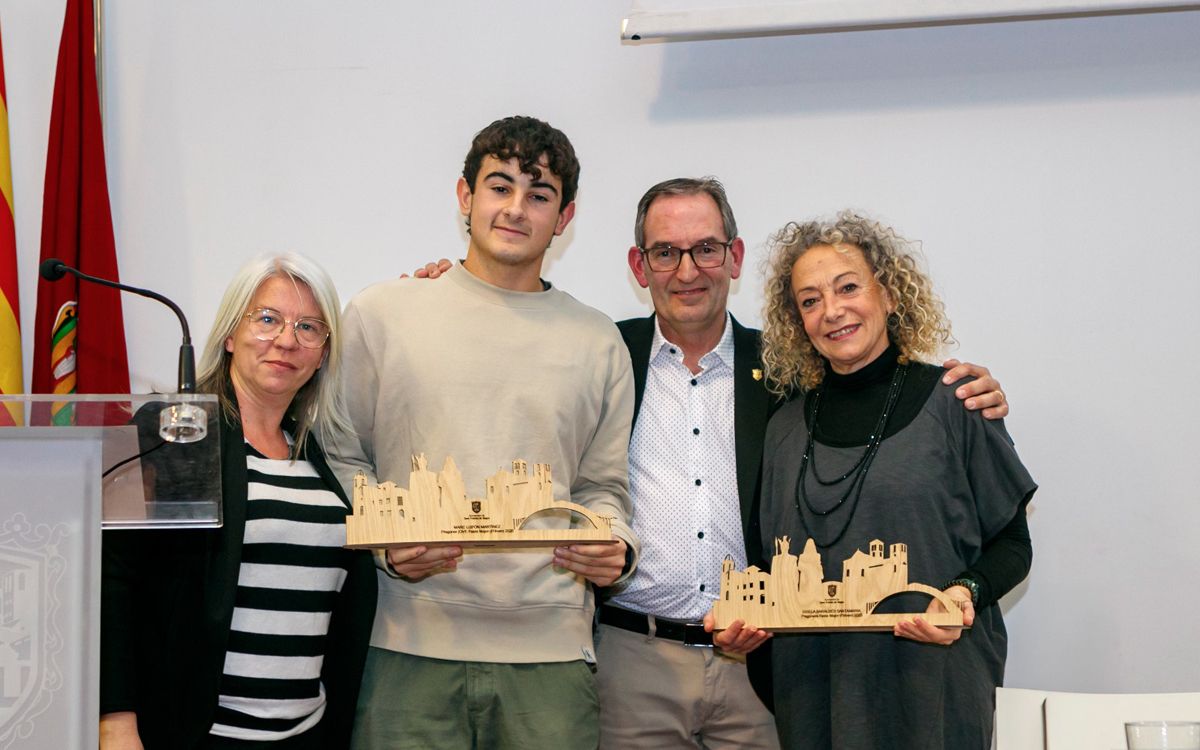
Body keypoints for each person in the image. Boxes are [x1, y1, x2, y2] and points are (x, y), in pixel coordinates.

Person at [598, 180, 1012, 750]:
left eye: (706, 248)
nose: (687, 269)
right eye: (665, 251)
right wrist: (457, 282)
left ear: (734, 257)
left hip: (777, 680)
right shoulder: (602, 355)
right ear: (640, 266)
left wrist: (964, 591)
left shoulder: (784, 380)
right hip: (645, 665)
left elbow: (1005, 535)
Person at [334, 115, 638, 750]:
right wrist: (386, 542)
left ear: (565, 216)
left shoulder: (597, 339)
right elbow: (340, 454)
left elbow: (603, 486)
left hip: (551, 655)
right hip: (405, 646)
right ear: (465, 196)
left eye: (539, 194)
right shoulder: (381, 315)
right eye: (499, 186)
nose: (515, 208)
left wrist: (616, 545)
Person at [745, 211, 1036, 749]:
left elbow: (1013, 543)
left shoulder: (956, 402)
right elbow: (769, 564)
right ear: (797, 322)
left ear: (890, 295)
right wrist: (745, 618)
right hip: (812, 695)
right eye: (810, 300)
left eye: (848, 287)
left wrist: (963, 594)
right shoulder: (783, 429)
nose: (832, 311)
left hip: (933, 686)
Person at [99, 253, 377, 749]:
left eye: (309, 327)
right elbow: (110, 583)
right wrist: (115, 720)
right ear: (230, 335)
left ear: (322, 353)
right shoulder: (172, 434)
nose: (287, 340)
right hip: (199, 734)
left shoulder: (320, 452)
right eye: (267, 319)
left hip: (306, 732)